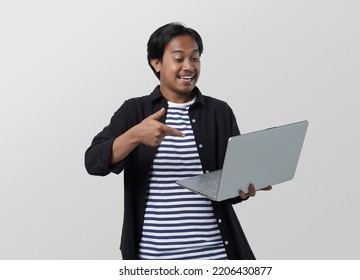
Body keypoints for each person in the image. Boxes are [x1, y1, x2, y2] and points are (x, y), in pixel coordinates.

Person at [85, 22, 271, 260]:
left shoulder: (219, 112)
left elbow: (229, 186)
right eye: (179, 58)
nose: (189, 67)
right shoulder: (134, 111)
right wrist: (135, 135)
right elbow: (93, 162)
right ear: (156, 63)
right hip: (153, 258)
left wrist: (243, 188)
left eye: (195, 58)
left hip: (216, 255)